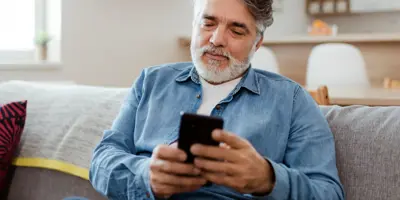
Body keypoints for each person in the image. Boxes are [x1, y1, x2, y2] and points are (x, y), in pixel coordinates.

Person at [89, 0, 345, 199]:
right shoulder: (151, 82)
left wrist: (268, 179)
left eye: (236, 30)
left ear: (257, 43)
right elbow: (101, 160)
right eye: (208, 23)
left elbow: (328, 193)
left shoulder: (291, 101)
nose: (216, 39)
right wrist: (146, 176)